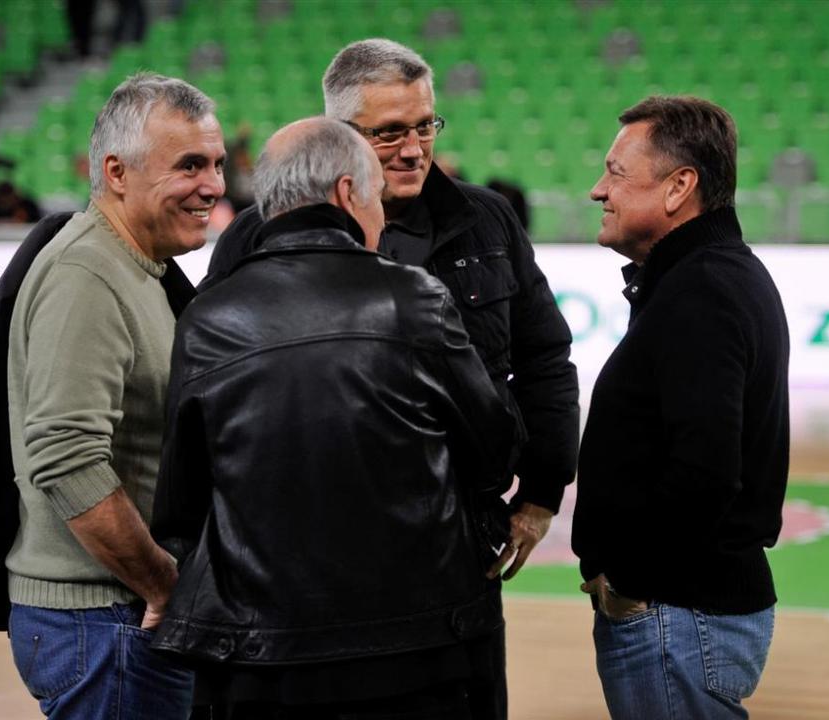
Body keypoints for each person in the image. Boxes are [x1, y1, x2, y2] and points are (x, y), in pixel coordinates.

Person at [204, 42, 579, 713]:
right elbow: (212, 390)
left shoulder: (487, 220)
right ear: (339, 135)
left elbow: (545, 358)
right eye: (389, 133)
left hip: (455, 556)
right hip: (298, 564)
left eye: (425, 125)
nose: (413, 149)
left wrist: (541, 495)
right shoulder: (254, 236)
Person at [150, 117, 519, 720]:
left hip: (259, 659)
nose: (382, 219)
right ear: (348, 193)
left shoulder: (208, 318)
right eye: (376, 199)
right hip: (416, 650)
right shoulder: (415, 298)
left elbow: (181, 504)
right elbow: (494, 453)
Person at [4, 72, 225, 719]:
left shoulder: (136, 267)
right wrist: (161, 583)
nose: (213, 184)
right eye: (189, 165)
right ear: (117, 173)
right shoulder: (88, 274)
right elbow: (67, 457)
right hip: (108, 622)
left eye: (216, 164)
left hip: (115, 622)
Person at [571, 96, 790, 719]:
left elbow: (706, 470)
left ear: (678, 188)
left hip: (678, 614)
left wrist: (630, 582)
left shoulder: (702, 289)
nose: (597, 190)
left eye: (616, 173)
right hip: (686, 614)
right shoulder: (709, 276)